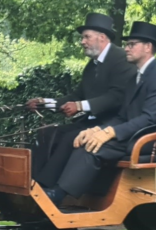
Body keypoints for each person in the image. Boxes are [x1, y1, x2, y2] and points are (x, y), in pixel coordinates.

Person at [45, 21, 156, 204]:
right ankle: (66, 192)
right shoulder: (135, 77)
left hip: (152, 139)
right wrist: (98, 129)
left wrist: (110, 132)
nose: (126, 49)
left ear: (148, 47)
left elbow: (150, 118)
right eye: (126, 44)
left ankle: (60, 195)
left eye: (132, 44)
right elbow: (123, 116)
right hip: (133, 134)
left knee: (92, 148)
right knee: (86, 139)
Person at [28, 13, 137, 189]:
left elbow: (117, 97)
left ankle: (47, 189)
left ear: (102, 38)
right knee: (47, 133)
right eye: (82, 37)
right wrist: (44, 103)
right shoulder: (91, 67)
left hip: (112, 126)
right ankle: (31, 181)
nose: (82, 42)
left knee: (70, 139)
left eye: (86, 37)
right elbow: (76, 95)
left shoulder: (121, 59)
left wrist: (80, 106)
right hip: (90, 122)